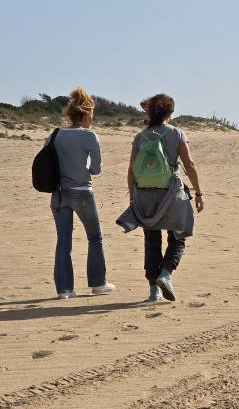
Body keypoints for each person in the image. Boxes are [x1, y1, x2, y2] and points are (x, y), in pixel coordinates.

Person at [116, 93, 204, 302]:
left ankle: (153, 290)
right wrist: (199, 192)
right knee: (178, 236)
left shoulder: (140, 137)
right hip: (172, 194)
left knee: (151, 240)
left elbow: (131, 170)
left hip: (145, 195)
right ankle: (166, 274)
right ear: (170, 113)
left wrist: (132, 199)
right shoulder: (177, 133)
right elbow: (189, 164)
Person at [49, 86, 115, 298]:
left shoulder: (55, 134)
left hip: (59, 194)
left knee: (63, 241)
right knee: (95, 237)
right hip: (82, 192)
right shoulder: (89, 136)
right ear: (86, 112)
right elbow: (96, 170)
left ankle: (65, 289)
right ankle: (98, 283)